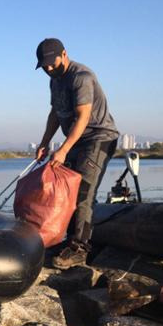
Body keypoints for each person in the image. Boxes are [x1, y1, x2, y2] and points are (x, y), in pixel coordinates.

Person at [34, 38, 119, 270]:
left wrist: (63, 150)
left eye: (52, 63)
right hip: (77, 140)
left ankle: (79, 249)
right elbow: (55, 113)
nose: (49, 69)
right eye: (44, 66)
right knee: (66, 191)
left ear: (64, 54)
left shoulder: (81, 77)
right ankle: (68, 241)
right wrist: (44, 143)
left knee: (83, 192)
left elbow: (83, 117)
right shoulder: (55, 80)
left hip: (98, 138)